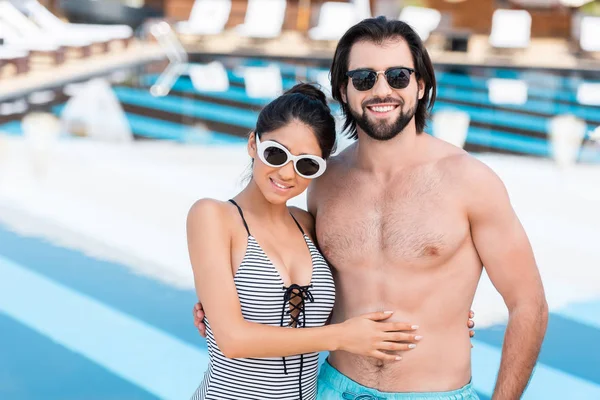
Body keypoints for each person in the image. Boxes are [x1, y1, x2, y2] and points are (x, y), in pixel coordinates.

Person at [193, 16, 548, 400]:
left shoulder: (470, 182)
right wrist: (234, 306)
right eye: (363, 78)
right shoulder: (324, 182)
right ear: (344, 91)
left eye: (398, 76)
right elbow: (315, 286)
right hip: (331, 389)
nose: (382, 90)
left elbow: (529, 305)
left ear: (421, 85)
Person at [187, 83, 427, 400]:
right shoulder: (213, 217)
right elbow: (233, 340)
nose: (287, 173)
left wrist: (440, 314)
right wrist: (340, 337)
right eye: (276, 153)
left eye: (306, 164)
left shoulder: (307, 225)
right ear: (252, 144)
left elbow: (355, 296)